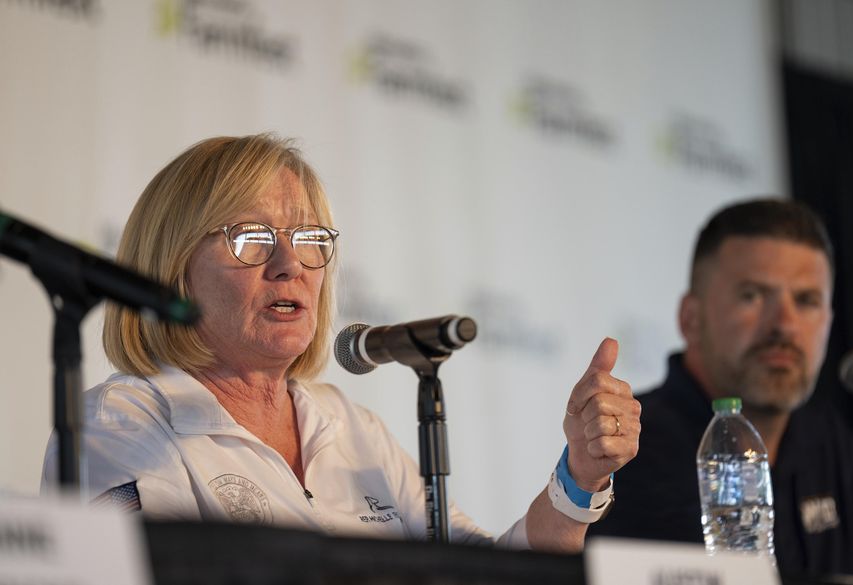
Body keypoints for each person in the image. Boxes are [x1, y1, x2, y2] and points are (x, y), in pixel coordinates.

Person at [41, 133, 641, 552]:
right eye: (251, 238)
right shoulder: (122, 425)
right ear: (174, 267)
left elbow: (487, 575)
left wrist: (579, 476)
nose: (289, 265)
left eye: (309, 239)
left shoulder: (351, 428)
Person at [588, 199, 853, 576]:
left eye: (806, 300)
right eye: (752, 295)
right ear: (691, 319)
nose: (785, 324)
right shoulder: (626, 454)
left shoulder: (835, 444)